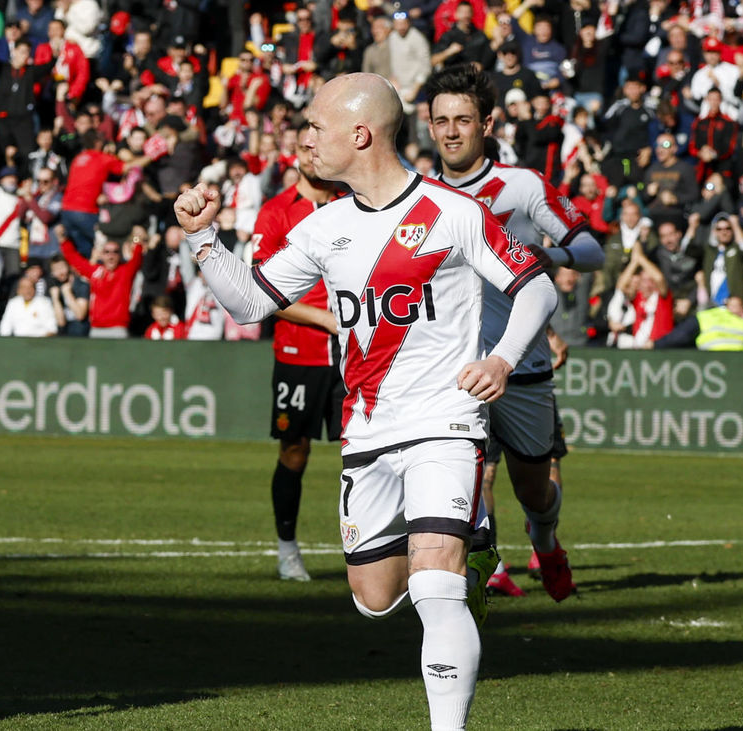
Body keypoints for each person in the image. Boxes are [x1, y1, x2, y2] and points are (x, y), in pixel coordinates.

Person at [176, 73, 557, 731]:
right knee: (374, 596)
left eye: (315, 127)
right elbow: (249, 302)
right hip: (368, 429)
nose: (306, 140)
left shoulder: (452, 211)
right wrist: (203, 238)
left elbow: (536, 287)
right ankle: (468, 550)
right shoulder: (324, 226)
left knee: (434, 584)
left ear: (360, 134)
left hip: (445, 420)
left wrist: (501, 357)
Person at [428, 65, 603, 605]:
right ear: (429, 127)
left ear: (486, 124)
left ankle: (545, 541)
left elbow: (592, 249)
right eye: (441, 121)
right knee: (464, 480)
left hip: (521, 364)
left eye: (463, 120)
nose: (451, 131)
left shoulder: (522, 186)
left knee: (534, 490)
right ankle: (477, 576)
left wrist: (552, 255)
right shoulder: (417, 193)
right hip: (452, 367)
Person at [251, 122, 346, 582]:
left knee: (368, 452)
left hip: (354, 354)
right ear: (294, 154)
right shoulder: (275, 212)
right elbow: (261, 288)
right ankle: (287, 549)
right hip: (299, 352)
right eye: (305, 148)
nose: (312, 154)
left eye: (318, 145)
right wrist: (326, 320)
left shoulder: (353, 204)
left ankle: (371, 551)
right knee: (294, 451)